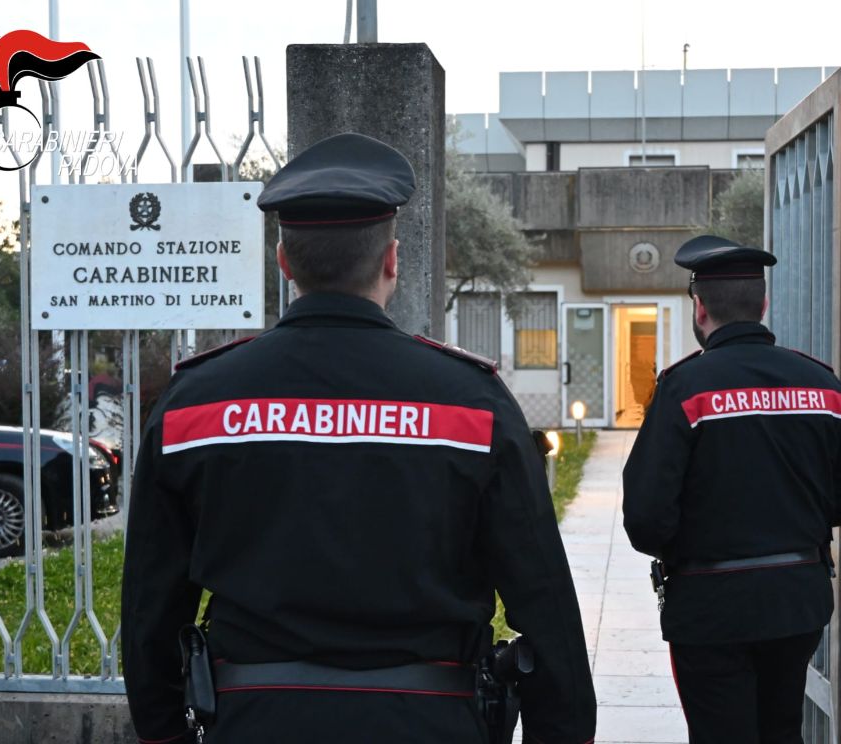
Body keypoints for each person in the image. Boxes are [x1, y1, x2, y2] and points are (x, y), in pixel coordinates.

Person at [121, 132, 596, 744]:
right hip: (431, 721)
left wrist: (165, 735)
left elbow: (150, 607)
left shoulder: (197, 404)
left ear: (284, 264)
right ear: (392, 260)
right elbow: (544, 598)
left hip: (254, 720)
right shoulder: (472, 404)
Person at [621, 235, 841, 744]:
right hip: (797, 599)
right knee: (781, 729)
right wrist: (794, 513)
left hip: (709, 603)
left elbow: (646, 519)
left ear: (699, 308)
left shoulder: (683, 389)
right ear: (763, 305)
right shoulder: (823, 385)